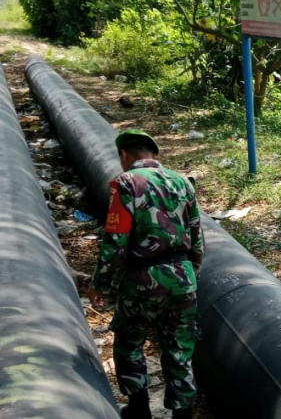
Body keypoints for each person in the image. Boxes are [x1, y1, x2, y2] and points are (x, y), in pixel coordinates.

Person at [88, 129, 204, 419]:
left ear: (125, 155)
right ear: (154, 155)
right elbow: (197, 236)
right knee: (180, 346)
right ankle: (182, 415)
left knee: (129, 342)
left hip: (143, 278)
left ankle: (139, 410)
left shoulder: (126, 183)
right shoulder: (183, 182)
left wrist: (101, 282)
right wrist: (191, 273)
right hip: (183, 276)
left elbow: (116, 240)